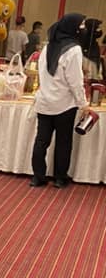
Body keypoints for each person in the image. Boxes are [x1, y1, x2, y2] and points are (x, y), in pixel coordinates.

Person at [30, 13, 89, 188]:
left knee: (41, 141)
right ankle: (60, 178)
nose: (83, 28)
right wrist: (83, 104)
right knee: (63, 142)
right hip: (64, 104)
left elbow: (42, 74)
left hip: (44, 101)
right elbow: (75, 81)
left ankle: (38, 177)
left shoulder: (48, 47)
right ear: (73, 28)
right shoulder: (74, 50)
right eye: (82, 25)